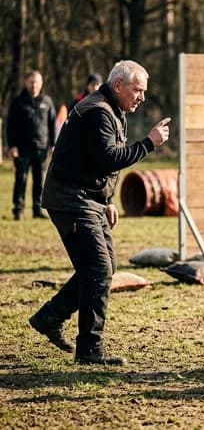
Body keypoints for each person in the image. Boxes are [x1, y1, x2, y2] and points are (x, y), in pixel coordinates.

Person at [28, 60, 171, 366]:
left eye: (144, 91)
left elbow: (95, 161)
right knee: (98, 269)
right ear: (118, 85)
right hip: (70, 199)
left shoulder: (112, 109)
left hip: (86, 197)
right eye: (138, 90)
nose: (142, 97)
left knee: (102, 267)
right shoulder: (97, 112)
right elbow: (109, 158)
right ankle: (89, 349)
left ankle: (50, 316)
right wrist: (149, 143)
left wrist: (107, 199)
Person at [5, 70, 56, 220]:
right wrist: (12, 146)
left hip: (41, 148)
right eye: (31, 82)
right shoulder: (18, 102)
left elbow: (52, 124)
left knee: (40, 181)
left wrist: (53, 144)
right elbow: (10, 126)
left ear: (41, 83)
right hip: (22, 149)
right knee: (21, 179)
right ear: (26, 83)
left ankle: (38, 209)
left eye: (37, 82)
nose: (34, 85)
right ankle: (18, 210)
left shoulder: (47, 102)